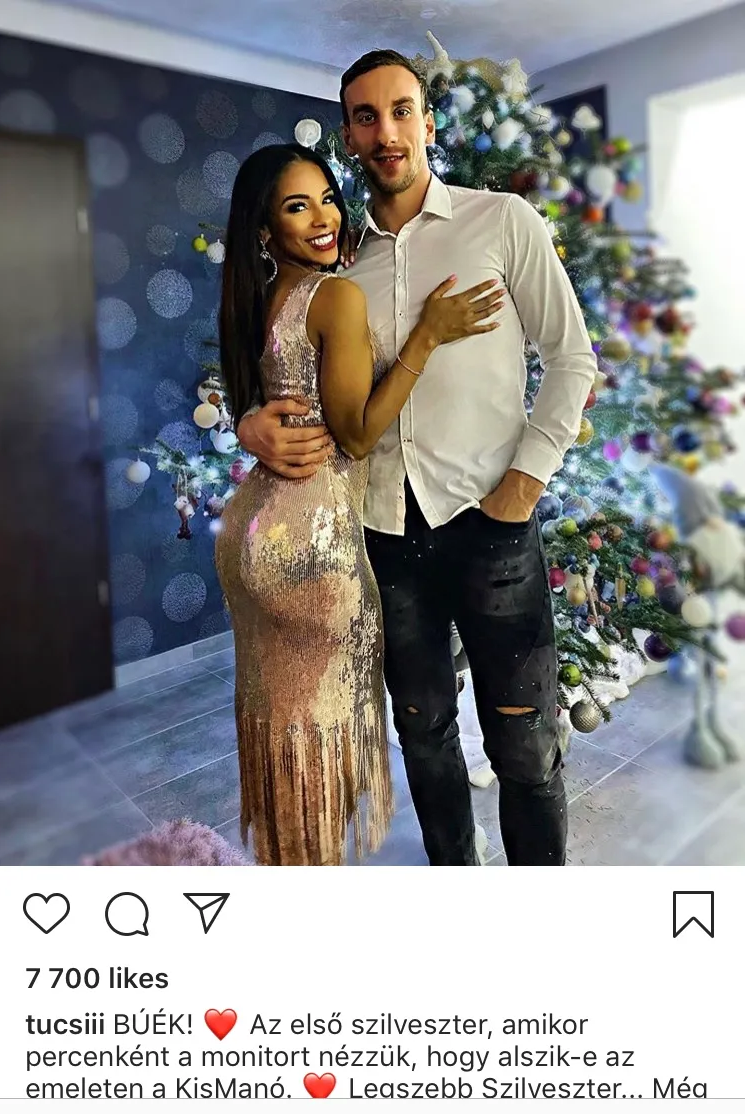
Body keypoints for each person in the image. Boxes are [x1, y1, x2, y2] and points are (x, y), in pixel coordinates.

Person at [238, 51, 599, 868]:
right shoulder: (340, 263)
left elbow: (572, 358)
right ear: (349, 137)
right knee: (424, 734)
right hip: (384, 540)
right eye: (366, 117)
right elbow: (286, 364)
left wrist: (522, 486)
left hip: (492, 525)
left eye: (401, 110)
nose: (386, 132)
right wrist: (251, 422)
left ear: (428, 123)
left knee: (526, 745)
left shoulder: (502, 221)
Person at [215, 142, 503, 866]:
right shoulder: (336, 296)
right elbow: (356, 434)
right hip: (316, 542)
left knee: (283, 739)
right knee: (319, 751)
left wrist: (246, 422)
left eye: (327, 199)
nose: (324, 218)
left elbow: (259, 392)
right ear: (264, 229)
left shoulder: (260, 298)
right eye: (297, 206)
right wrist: (426, 336)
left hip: (256, 527)